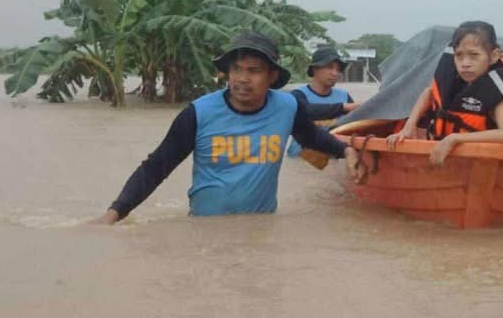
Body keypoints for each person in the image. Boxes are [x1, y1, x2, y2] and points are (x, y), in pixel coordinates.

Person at [96, 32, 361, 222]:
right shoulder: (199, 113)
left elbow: (312, 137)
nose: (242, 79)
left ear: (272, 76)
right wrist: (115, 213)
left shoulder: (287, 107)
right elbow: (156, 167)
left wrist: (346, 151)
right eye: (236, 69)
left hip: (262, 230)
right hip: (204, 232)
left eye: (253, 71)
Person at [387, 20, 503, 166]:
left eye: (474, 55)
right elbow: (430, 92)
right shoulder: (454, 80)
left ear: (493, 56)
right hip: (449, 161)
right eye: (459, 55)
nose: (465, 63)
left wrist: (455, 139)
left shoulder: (494, 91)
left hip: (481, 165)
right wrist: (409, 126)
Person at [287, 44, 361, 158]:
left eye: (338, 69)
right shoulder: (298, 95)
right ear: (314, 69)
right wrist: (343, 107)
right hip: (301, 158)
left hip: (334, 157)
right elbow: (307, 111)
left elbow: (356, 125)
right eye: (330, 67)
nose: (335, 73)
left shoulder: (344, 96)